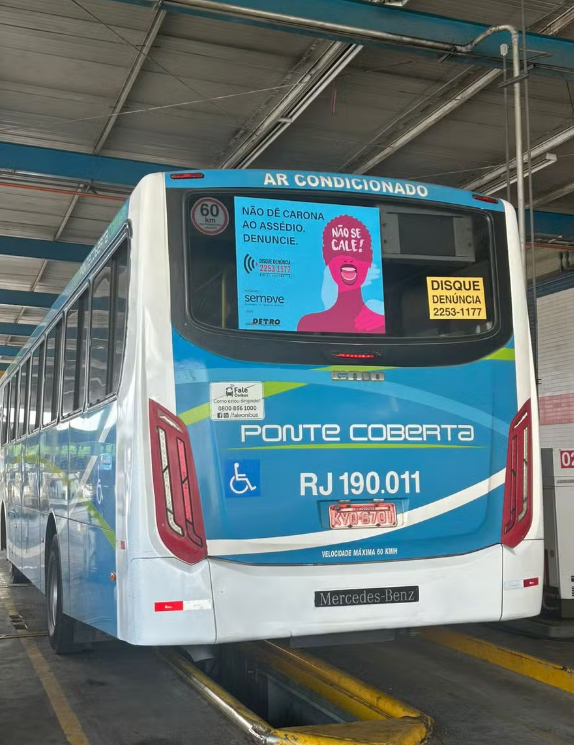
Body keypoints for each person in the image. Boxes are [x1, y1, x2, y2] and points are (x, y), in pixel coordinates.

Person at [297, 214, 385, 333]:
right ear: (328, 262)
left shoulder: (380, 319)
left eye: (358, 255)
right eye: (338, 255)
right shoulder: (309, 323)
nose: (348, 259)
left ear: (369, 263)